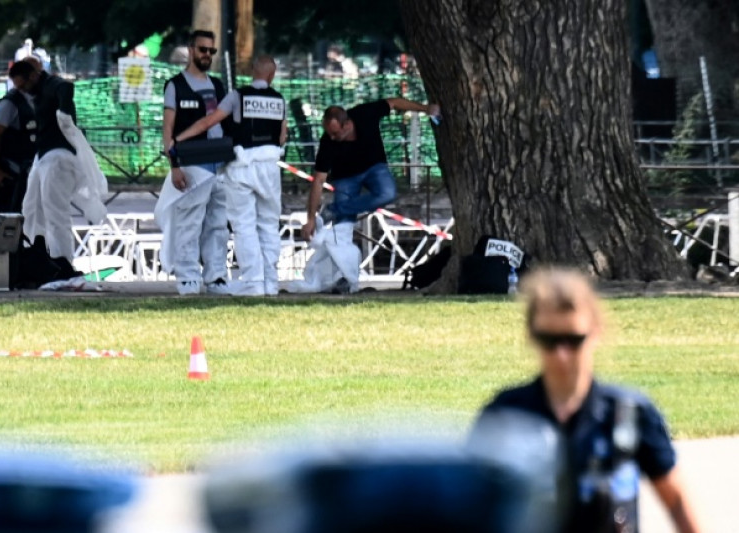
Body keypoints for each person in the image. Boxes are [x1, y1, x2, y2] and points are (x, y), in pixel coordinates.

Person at [471, 268, 701, 533]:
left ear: (595, 333)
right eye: (550, 340)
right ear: (532, 336)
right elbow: (472, 506)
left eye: (573, 340)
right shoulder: (506, 414)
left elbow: (676, 499)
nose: (561, 354)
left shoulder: (629, 413)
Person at [172, 55, 287, 296]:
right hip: (270, 167)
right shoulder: (279, 100)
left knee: (244, 225)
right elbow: (282, 137)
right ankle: (271, 283)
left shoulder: (237, 96)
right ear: (272, 75)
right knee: (268, 224)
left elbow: (207, 122)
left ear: (252, 72)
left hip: (242, 165)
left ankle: (254, 283)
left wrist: (178, 140)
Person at [298, 97, 439, 294]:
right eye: (329, 133)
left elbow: (395, 102)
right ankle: (344, 278)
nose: (332, 138)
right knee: (342, 231)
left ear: (347, 124)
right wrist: (311, 218)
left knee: (387, 192)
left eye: (336, 133)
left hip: (374, 168)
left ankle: (335, 210)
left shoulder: (364, 114)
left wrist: (425, 108)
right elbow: (318, 181)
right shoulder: (328, 143)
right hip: (345, 178)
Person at [154, 30, 231, 296]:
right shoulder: (175, 85)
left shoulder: (219, 85)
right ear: (190, 49)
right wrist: (173, 164)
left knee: (218, 224)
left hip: (219, 164)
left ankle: (216, 276)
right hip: (192, 163)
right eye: (202, 50)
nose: (207, 55)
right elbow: (168, 128)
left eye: (211, 51)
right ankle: (187, 275)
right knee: (189, 222)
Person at [17, 60, 108, 268]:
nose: (22, 91)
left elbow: (67, 87)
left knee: (55, 212)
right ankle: (37, 256)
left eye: (22, 85)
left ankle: (63, 262)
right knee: (31, 207)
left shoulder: (50, 84)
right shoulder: (39, 92)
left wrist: (64, 114)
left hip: (57, 156)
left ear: (33, 75)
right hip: (44, 154)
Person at [0, 60, 38, 213]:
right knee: (10, 215)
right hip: (13, 171)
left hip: (32, 168)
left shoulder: (38, 99)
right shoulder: (10, 104)